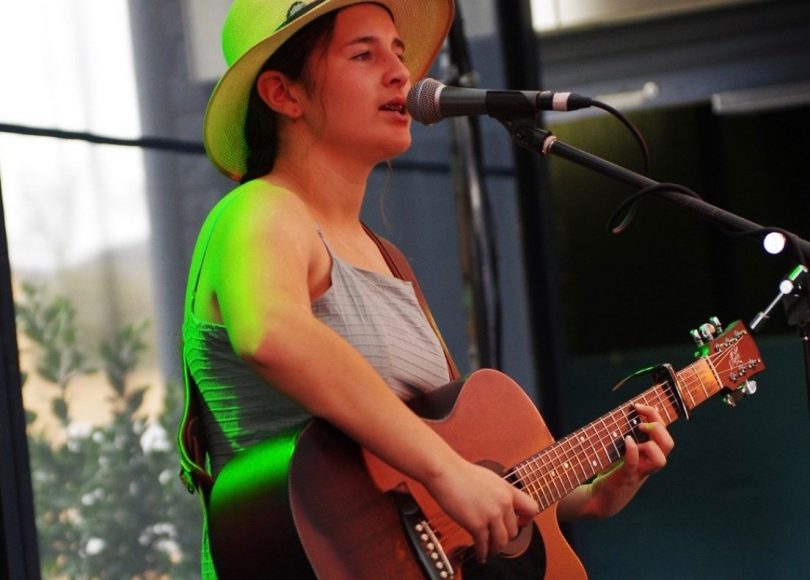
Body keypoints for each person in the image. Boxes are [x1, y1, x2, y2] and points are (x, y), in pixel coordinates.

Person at [178, 0, 675, 578]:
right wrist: (445, 470)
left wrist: (588, 496)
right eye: (363, 54)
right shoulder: (259, 210)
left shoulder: (386, 261)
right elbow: (272, 335)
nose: (400, 74)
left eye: (399, 53)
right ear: (283, 94)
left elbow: (455, 464)